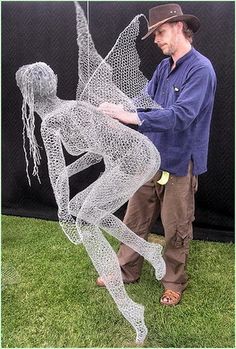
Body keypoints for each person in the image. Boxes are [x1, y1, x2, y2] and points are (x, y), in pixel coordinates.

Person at [16, 61, 166, 343]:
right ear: (54, 82)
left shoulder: (50, 122)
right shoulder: (74, 107)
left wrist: (62, 213)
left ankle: (130, 309)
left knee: (83, 219)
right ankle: (148, 250)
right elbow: (98, 152)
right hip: (145, 153)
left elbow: (55, 168)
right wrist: (69, 180)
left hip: (133, 160)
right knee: (84, 209)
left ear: (28, 95)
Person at [97, 3, 217, 306]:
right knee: (134, 218)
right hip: (149, 159)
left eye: (160, 32)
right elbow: (146, 99)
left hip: (179, 164)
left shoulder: (201, 70)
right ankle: (125, 269)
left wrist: (132, 118)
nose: (155, 39)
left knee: (176, 226)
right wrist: (120, 109)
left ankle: (174, 281)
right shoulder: (165, 67)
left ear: (179, 27)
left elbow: (181, 116)